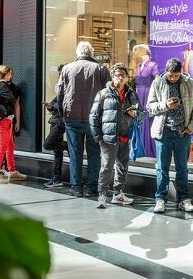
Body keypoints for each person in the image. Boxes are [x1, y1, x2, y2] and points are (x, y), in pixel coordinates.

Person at [146, 57, 193, 214]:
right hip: (163, 131)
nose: (173, 78)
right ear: (166, 71)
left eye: (176, 76)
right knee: (162, 168)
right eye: (171, 75)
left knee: (182, 168)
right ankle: (160, 199)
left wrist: (192, 127)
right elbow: (149, 107)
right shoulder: (158, 82)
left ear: (181, 72)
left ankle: (183, 199)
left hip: (183, 132)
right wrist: (165, 105)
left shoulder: (189, 83)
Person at [57, 42, 110, 197]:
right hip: (94, 117)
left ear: (78, 52)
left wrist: (63, 113)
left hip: (71, 116)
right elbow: (108, 92)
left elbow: (60, 94)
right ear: (91, 53)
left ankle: (76, 187)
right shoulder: (100, 69)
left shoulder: (67, 69)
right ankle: (92, 187)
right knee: (94, 154)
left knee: (75, 153)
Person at [90, 63, 142, 209]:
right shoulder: (103, 93)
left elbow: (142, 114)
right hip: (108, 138)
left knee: (122, 167)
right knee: (106, 167)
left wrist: (136, 114)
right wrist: (98, 137)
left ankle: (118, 193)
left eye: (123, 75)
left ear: (126, 78)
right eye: (117, 75)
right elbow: (93, 116)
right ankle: (102, 195)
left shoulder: (131, 94)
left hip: (125, 135)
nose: (120, 78)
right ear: (112, 76)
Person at [0, 65, 27, 184]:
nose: (12, 75)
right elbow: (10, 99)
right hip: (5, 119)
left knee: (10, 145)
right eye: (10, 73)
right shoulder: (2, 84)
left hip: (4, 119)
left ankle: (12, 171)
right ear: (6, 74)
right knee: (3, 146)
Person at [43, 64, 67, 188]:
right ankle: (56, 178)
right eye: (58, 74)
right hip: (57, 119)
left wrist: (53, 106)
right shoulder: (60, 85)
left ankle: (68, 146)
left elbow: (66, 105)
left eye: (60, 73)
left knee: (48, 144)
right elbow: (57, 101)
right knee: (56, 150)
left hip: (64, 120)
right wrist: (51, 105)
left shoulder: (69, 85)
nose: (59, 76)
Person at [133, 44, 159, 157]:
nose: (134, 54)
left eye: (137, 51)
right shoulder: (139, 65)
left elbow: (158, 80)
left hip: (147, 94)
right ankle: (139, 148)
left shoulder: (153, 65)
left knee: (147, 120)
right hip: (138, 95)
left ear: (143, 52)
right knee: (139, 120)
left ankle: (149, 150)